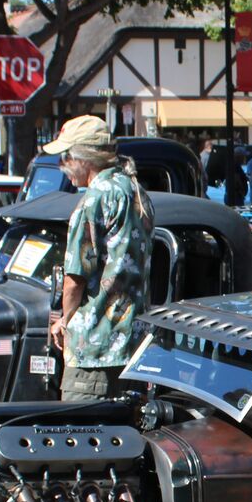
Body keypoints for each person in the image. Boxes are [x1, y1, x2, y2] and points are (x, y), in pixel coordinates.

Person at [44, 116, 152, 401]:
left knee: (82, 426)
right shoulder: (135, 190)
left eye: (66, 157)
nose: (62, 165)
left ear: (85, 158)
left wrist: (65, 321)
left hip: (94, 347)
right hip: (132, 341)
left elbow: (75, 278)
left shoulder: (95, 198)